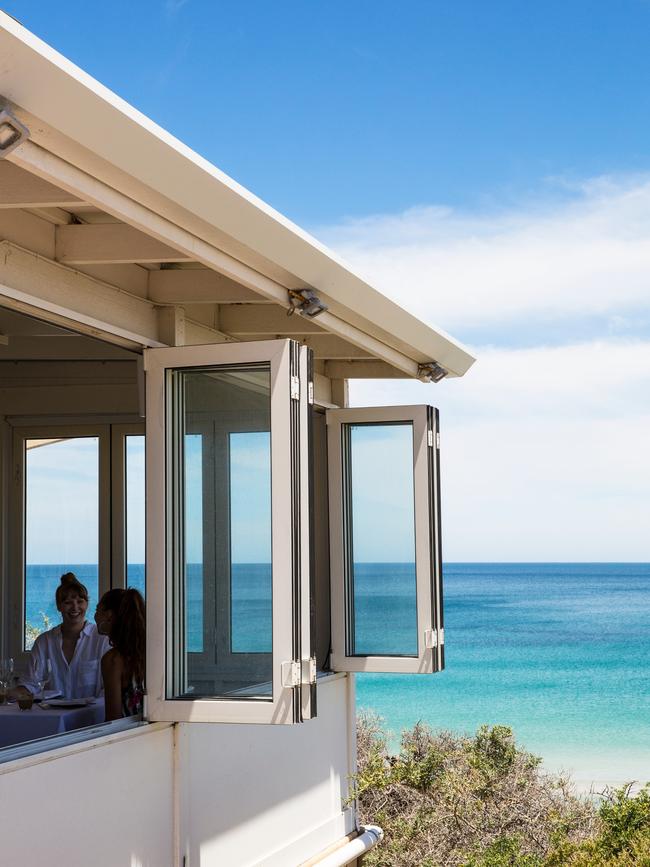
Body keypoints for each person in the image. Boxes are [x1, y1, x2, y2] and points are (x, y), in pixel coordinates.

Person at [17, 572, 110, 700]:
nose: (75, 607)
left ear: (87, 604)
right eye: (68, 602)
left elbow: (108, 689)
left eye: (80, 601)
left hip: (93, 718)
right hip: (51, 718)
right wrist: (10, 693)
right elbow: (29, 683)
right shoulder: (44, 642)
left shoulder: (102, 640)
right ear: (59, 606)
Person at [94, 588, 145, 721]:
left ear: (109, 616)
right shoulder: (147, 652)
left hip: (129, 735)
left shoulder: (113, 660)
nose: (94, 617)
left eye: (97, 610)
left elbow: (113, 717)